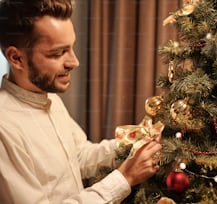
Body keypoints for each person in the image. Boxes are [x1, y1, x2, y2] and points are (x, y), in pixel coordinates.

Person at [0, 0, 162, 203]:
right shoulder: (4, 128)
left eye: (71, 48)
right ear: (16, 58)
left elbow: (80, 156)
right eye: (58, 53)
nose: (74, 62)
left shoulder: (51, 100)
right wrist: (125, 178)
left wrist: (135, 141)